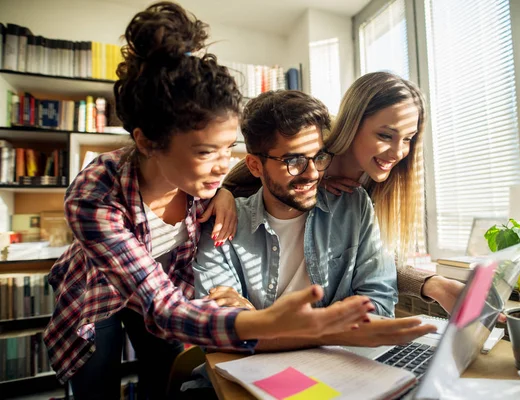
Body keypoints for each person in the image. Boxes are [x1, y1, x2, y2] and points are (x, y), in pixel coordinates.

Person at [42, 4, 373, 399]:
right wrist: (266, 324)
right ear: (147, 141)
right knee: (95, 386)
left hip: (166, 293)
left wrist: (232, 191)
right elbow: (162, 308)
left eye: (227, 149)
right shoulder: (95, 194)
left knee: (162, 380)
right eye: (204, 153)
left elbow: (273, 169)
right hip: (99, 297)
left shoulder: (207, 185)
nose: (221, 167)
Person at [194, 90, 437, 350]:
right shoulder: (222, 222)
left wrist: (259, 325)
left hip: (339, 365)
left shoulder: (353, 205)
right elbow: (221, 329)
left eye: (319, 157)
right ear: (254, 166)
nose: (312, 174)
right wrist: (330, 327)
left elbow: (379, 303)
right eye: (294, 160)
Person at [223, 72, 465, 314]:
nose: (397, 152)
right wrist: (222, 195)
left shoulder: (373, 189)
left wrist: (431, 284)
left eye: (408, 139)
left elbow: (375, 266)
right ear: (353, 124)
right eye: (385, 135)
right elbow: (248, 171)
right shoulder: (313, 141)